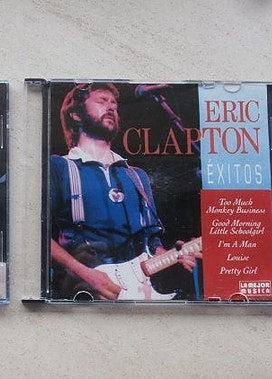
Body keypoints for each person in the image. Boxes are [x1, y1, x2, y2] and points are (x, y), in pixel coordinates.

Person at [50, 82, 199, 301]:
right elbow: (39, 236)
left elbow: (152, 244)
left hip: (134, 294)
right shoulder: (60, 167)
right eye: (102, 101)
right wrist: (85, 274)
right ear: (76, 115)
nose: (111, 107)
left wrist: (173, 256)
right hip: (80, 293)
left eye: (114, 104)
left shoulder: (137, 176)